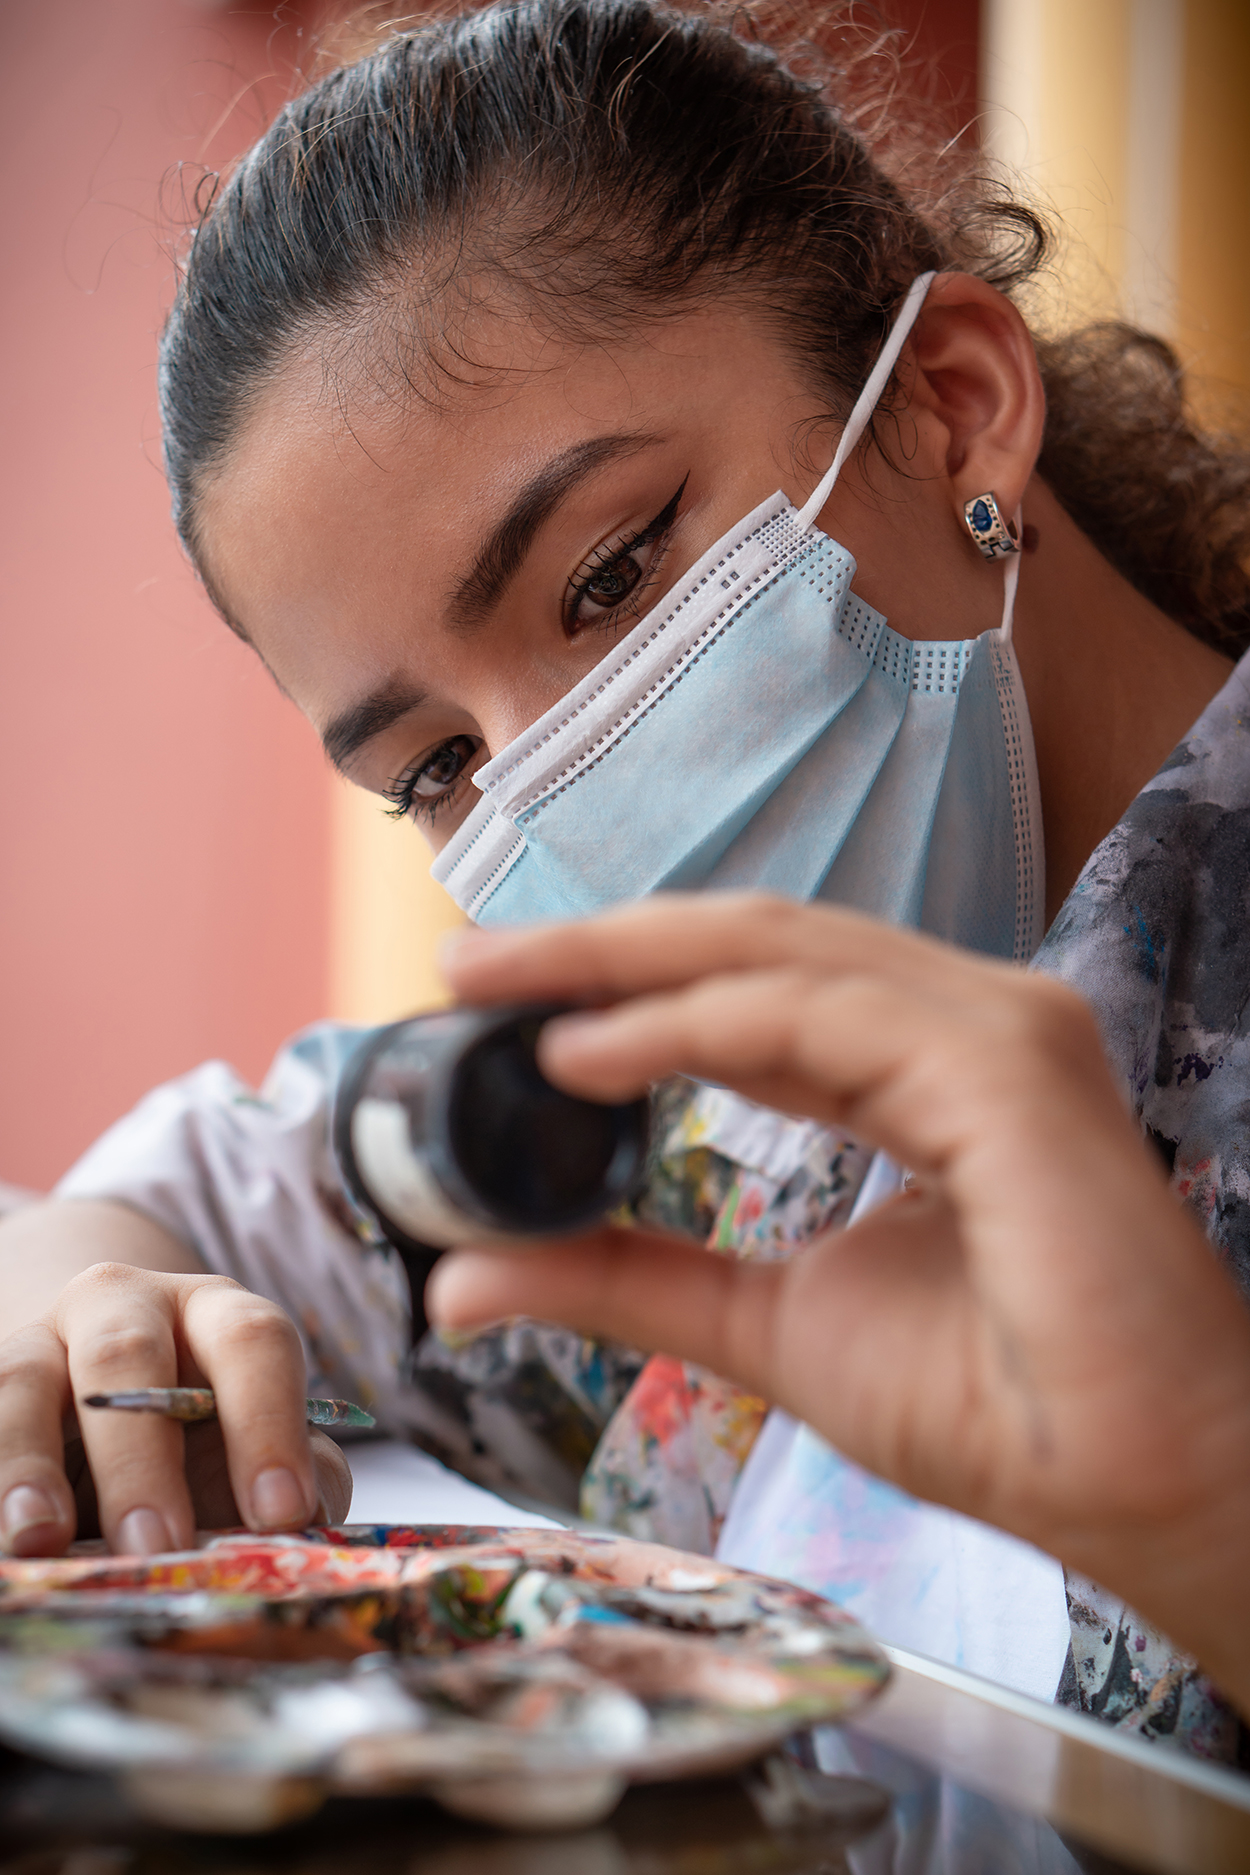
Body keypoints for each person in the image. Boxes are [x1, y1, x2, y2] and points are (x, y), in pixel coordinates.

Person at [1, 0, 1248, 1779]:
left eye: (606, 580)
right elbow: (195, 1191)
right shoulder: (683, 1132)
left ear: (950, 409)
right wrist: (79, 1309)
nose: (552, 783)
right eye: (433, 767)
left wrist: (1201, 1499)